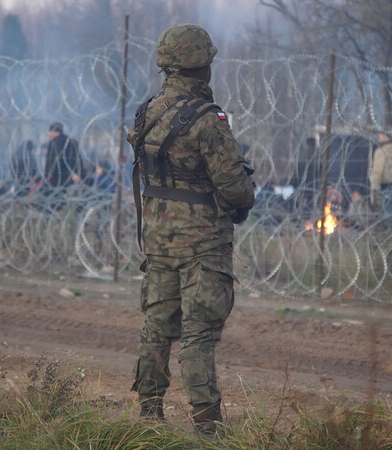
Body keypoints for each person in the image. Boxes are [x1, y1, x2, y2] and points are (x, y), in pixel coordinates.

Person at [127, 24, 255, 436]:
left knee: (157, 328)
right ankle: (208, 426)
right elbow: (234, 188)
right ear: (202, 65)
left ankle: (149, 415)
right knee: (199, 334)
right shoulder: (207, 119)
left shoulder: (147, 111)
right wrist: (244, 197)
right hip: (203, 243)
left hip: (159, 239)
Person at [43, 122, 83, 206]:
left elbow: (55, 159)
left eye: (50, 131)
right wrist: (76, 172)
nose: (49, 134)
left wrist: (50, 172)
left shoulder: (55, 142)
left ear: (55, 132)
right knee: (66, 196)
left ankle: (56, 212)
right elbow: (77, 158)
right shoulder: (71, 141)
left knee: (55, 197)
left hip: (57, 176)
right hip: (70, 175)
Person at [370, 132, 392, 221]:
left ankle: (390, 232)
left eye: (381, 136)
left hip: (387, 185)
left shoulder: (381, 151)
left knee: (388, 213)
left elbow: (378, 171)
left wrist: (374, 187)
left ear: (386, 137)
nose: (378, 137)